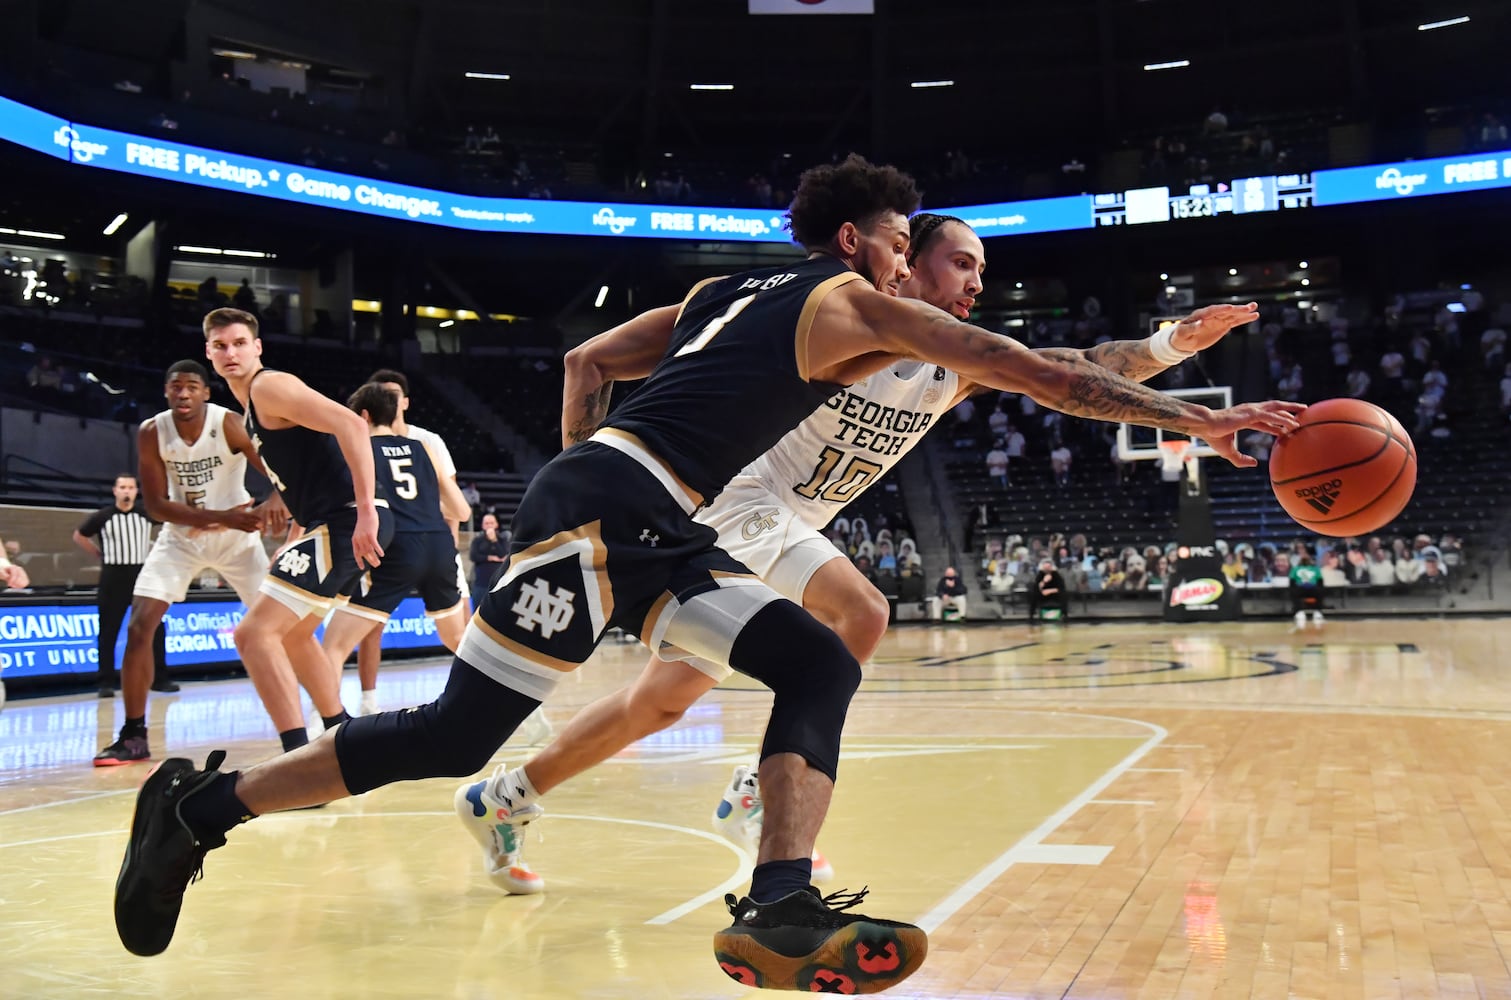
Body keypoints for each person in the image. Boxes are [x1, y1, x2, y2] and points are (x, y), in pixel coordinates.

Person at [115, 157, 1301, 993]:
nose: (911, 258)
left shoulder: (724, 291)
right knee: (452, 738)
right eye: (903, 240)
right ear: (857, 244)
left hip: (649, 523)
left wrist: (587, 457)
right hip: (608, 515)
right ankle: (197, 807)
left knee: (815, 653)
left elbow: (591, 356)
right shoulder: (851, 302)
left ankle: (778, 897)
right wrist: (1194, 421)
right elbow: (1025, 368)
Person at [451, 212, 1270, 897]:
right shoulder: (841, 316)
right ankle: (756, 796)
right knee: (861, 610)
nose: (978, 282)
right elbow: (603, 355)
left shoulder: (957, 363)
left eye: (982, 269)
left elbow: (1083, 368)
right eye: (962, 263)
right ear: (904, 263)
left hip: (781, 519)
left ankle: (505, 796)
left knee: (661, 702)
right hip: (731, 499)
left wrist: (1168, 342)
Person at [207, 308, 395, 753]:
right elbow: (307, 480)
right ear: (209, 353)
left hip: (350, 518)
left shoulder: (269, 386)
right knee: (291, 634)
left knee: (252, 634)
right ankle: (339, 736)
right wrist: (295, 539)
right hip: (331, 522)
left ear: (257, 347)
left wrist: (366, 511)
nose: (230, 352)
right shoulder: (250, 410)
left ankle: (297, 758)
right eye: (220, 345)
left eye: (238, 343)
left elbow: (351, 423)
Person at [93, 361, 289, 765]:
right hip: (183, 539)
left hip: (238, 541)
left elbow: (278, 468)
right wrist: (223, 517)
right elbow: (159, 507)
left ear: (205, 393)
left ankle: (314, 728)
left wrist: (277, 498)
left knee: (285, 633)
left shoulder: (230, 423)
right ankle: (133, 735)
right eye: (175, 387)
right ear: (166, 392)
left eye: (191, 386)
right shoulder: (153, 431)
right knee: (139, 625)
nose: (183, 393)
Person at [316, 383, 470, 715]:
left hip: (396, 547)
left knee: (333, 646)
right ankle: (498, 701)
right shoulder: (424, 447)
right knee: (459, 642)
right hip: (439, 546)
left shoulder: (360, 450)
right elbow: (462, 511)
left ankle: (324, 728)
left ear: (364, 416)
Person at [72, 475, 168, 698]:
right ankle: (105, 682)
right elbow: (79, 535)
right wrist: (98, 554)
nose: (127, 491)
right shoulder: (103, 516)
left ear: (136, 491)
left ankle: (160, 678)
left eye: (131, 487)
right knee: (108, 630)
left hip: (141, 576)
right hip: (113, 577)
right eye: (123, 487)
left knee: (155, 628)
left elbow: (169, 526)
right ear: (115, 491)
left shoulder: (146, 514)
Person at [468, 512, 510, 611]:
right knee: (478, 612)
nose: (489, 526)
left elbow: (503, 554)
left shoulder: (503, 540)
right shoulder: (477, 541)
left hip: (498, 584)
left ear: (496, 524)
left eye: (491, 523)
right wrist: (490, 557)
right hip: (480, 584)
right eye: (486, 523)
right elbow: (473, 556)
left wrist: (494, 540)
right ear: (482, 525)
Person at [1289, 552, 1324, 631]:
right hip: (1300, 587)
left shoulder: (1315, 569)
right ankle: (1299, 611)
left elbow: (1320, 581)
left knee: (1320, 591)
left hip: (1313, 587)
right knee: (1294, 591)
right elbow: (1291, 582)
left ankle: (1317, 611)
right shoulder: (1295, 569)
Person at [1028, 558, 1068, 623]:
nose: (1047, 569)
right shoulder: (1040, 574)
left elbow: (1061, 588)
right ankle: (1031, 616)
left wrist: (1050, 591)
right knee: (1033, 595)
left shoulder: (1056, 574)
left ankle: (1064, 615)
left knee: (1063, 594)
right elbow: (1037, 587)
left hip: (1054, 594)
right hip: (1043, 595)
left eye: (1048, 567)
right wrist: (1044, 581)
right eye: (1045, 568)